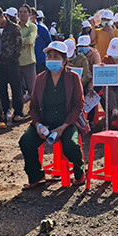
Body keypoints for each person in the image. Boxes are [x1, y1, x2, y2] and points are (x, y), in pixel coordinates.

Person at [19, 41, 85, 189]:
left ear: (64, 59)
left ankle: (80, 172)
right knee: (26, 141)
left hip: (67, 123)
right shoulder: (40, 78)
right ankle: (36, 176)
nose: (52, 59)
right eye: (49, 56)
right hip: (45, 123)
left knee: (71, 146)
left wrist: (63, 127)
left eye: (56, 56)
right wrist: (38, 125)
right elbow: (34, 106)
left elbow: (78, 105)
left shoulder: (73, 78)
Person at [0, 6, 24, 122]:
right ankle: (5, 111)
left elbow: (19, 46)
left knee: (16, 88)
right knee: (1, 88)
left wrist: (13, 58)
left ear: (2, 16)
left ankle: (18, 112)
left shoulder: (14, 28)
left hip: (12, 63)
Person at [18, 4, 38, 98]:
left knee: (33, 89)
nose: (22, 14)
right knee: (17, 89)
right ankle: (19, 110)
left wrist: (17, 41)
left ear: (29, 14)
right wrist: (23, 41)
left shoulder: (32, 27)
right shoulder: (15, 27)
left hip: (29, 62)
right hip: (17, 62)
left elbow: (30, 40)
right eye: (20, 12)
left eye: (25, 12)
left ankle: (36, 109)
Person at [32, 8, 52, 74]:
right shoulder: (21, 29)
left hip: (40, 62)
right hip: (27, 63)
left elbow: (49, 44)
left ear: (34, 16)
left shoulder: (42, 29)